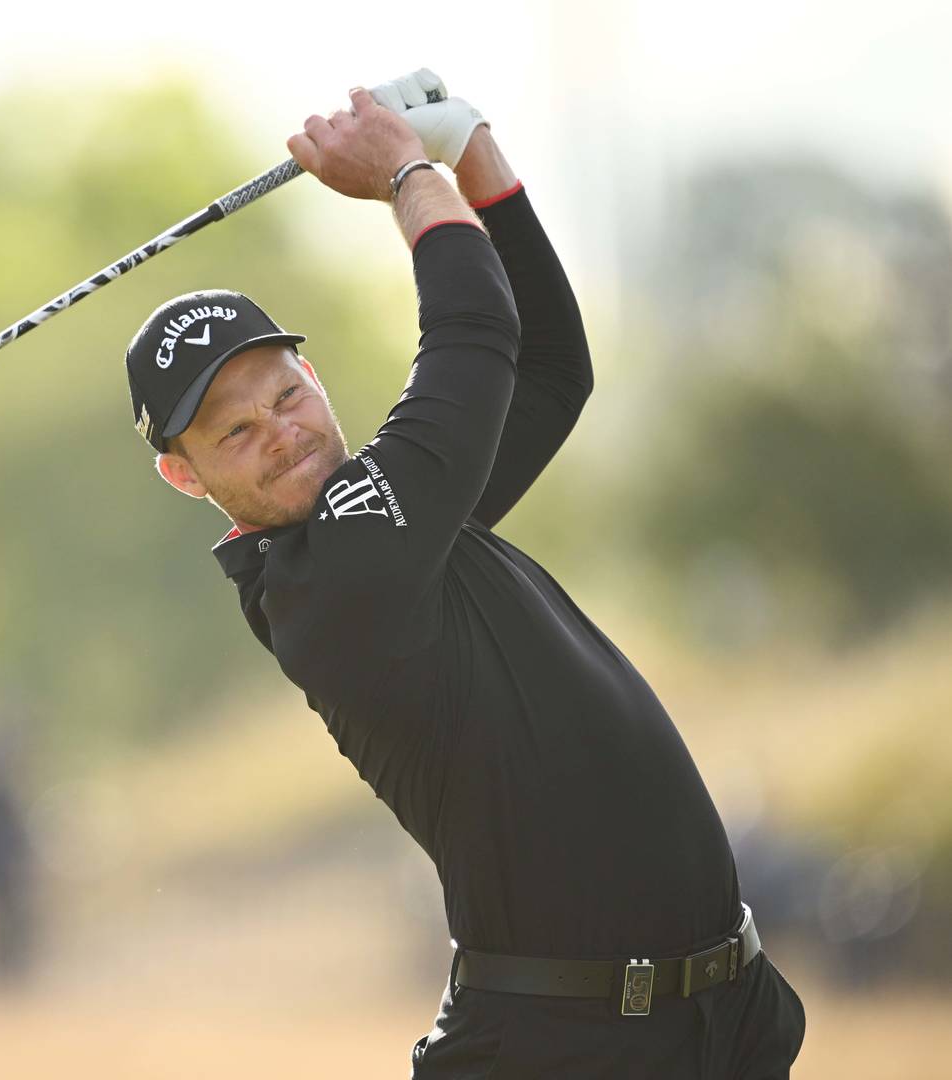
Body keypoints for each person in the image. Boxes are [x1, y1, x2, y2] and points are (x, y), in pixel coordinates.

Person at [121, 71, 806, 1078]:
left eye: (283, 396)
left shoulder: (409, 520)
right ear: (185, 476)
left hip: (715, 1026)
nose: (279, 433)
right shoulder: (329, 577)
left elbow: (549, 371)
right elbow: (473, 335)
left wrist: (470, 148)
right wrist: (406, 172)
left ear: (313, 378)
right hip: (557, 1051)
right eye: (234, 431)